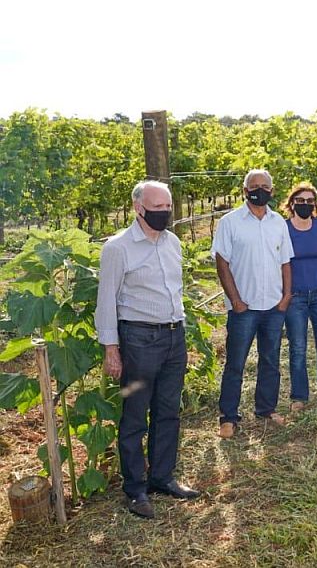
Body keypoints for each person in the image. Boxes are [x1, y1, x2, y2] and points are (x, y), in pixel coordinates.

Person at [96, 180, 199, 519]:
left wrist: (180, 329)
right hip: (139, 341)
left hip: (173, 337)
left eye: (168, 207)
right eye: (158, 209)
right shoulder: (118, 248)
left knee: (169, 411)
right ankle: (136, 489)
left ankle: (162, 477)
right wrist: (112, 349)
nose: (165, 214)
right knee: (135, 416)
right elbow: (106, 302)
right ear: (138, 208)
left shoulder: (173, 243)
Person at [212, 169, 295, 438]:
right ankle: (228, 416)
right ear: (245, 190)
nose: (259, 190)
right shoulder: (230, 222)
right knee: (235, 362)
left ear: (272, 190)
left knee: (270, 360)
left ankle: (266, 409)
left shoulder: (278, 223)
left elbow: (285, 261)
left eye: (265, 185)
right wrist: (235, 300)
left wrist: (286, 297)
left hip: (273, 305)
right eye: (254, 185)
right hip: (243, 307)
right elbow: (221, 262)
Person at [283, 182, 317, 411]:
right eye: (300, 200)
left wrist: (315, 278)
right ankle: (299, 395)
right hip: (295, 297)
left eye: (309, 201)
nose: (305, 204)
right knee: (298, 347)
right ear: (292, 203)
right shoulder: (283, 228)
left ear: (315, 204)